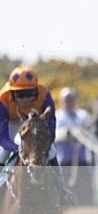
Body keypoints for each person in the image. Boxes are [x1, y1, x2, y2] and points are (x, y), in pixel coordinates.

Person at [0, 66, 72, 203]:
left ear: (36, 89)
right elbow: (2, 137)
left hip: (37, 123)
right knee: (2, 153)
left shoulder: (45, 94)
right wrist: (17, 148)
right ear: (11, 93)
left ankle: (62, 189)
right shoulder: (2, 99)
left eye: (30, 93)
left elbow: (51, 127)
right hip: (11, 124)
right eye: (20, 95)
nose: (26, 99)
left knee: (51, 151)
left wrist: (44, 145)